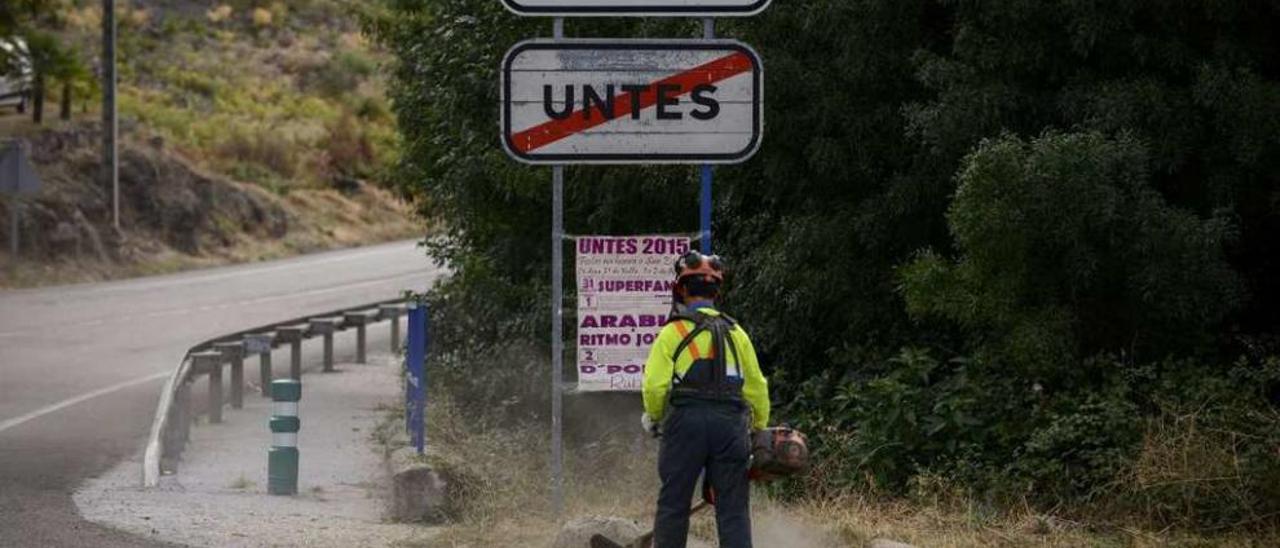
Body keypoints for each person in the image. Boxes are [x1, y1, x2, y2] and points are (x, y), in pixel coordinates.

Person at [641, 251, 770, 548]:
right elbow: (757, 387)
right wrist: (759, 426)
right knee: (734, 510)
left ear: (682, 290)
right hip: (731, 427)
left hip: (685, 426)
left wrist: (655, 416)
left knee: (674, 504)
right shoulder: (737, 333)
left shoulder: (673, 332)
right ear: (716, 292)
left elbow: (654, 386)